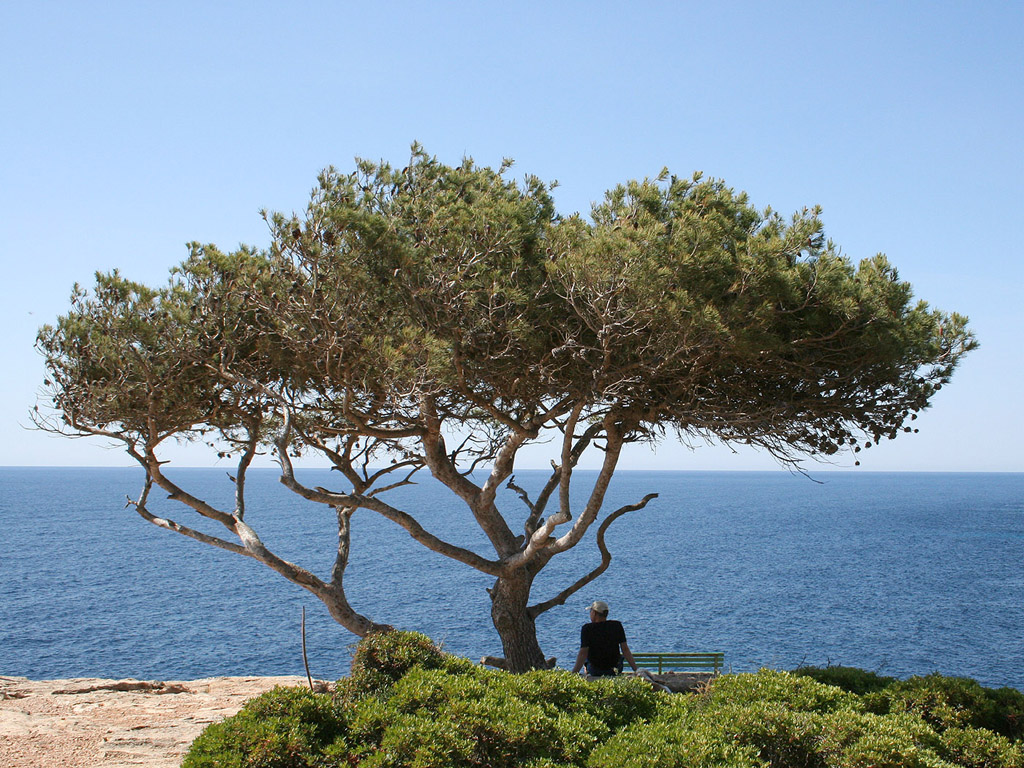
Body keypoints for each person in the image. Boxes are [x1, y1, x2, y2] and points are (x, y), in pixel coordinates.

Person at [570, 600, 638, 677]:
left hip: (595, 670)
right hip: (615, 669)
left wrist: (573, 674)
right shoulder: (617, 626)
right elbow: (625, 649)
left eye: (590, 611)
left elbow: (583, 653)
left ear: (594, 613)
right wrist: (636, 670)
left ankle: (587, 672)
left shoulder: (587, 629)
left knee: (586, 658)